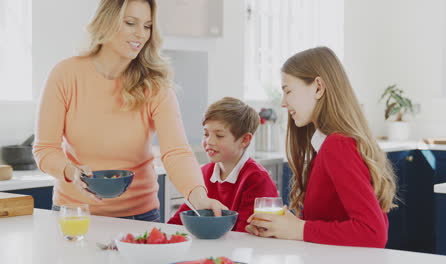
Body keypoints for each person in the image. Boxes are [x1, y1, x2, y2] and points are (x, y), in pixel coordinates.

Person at [33, 0, 226, 221]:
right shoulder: (65, 75)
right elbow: (45, 149)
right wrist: (70, 171)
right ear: (107, 21)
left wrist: (198, 197)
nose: (140, 34)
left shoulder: (154, 86)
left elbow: (176, 152)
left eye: (147, 26)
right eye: (130, 23)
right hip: (75, 214)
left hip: (139, 216)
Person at [245, 47, 397, 248]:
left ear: (318, 87)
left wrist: (298, 229)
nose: (283, 103)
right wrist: (282, 226)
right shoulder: (326, 146)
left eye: (288, 91)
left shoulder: (337, 145)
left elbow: (373, 233)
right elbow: (328, 223)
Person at [168, 97, 278, 232]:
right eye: (206, 134)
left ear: (245, 139)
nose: (209, 141)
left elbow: (246, 236)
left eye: (219, 135)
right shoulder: (203, 173)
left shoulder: (256, 179)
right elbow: (179, 221)